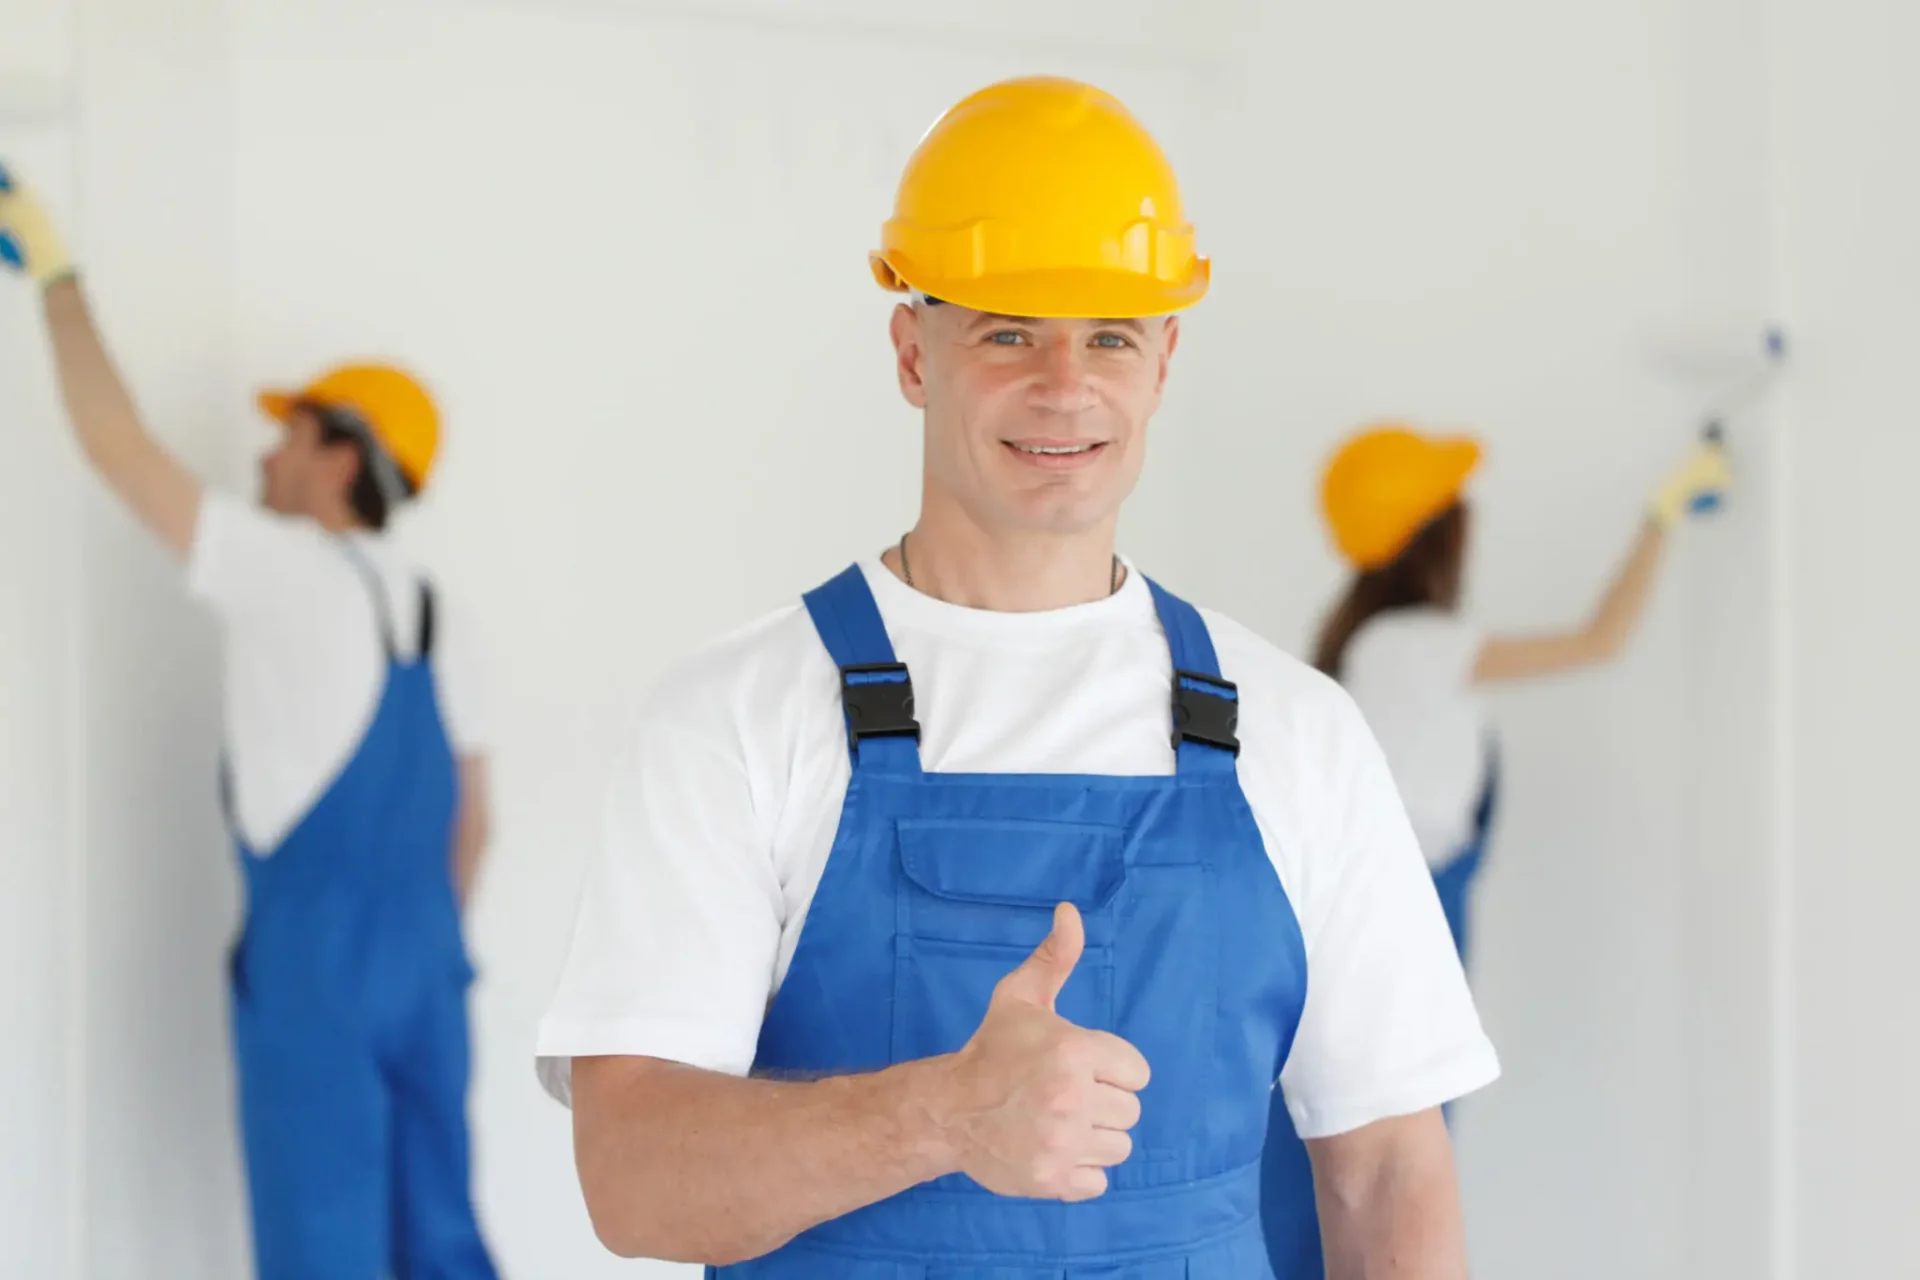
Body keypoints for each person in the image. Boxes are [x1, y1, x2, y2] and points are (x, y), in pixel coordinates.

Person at [535, 77, 1498, 1278]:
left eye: (1110, 335)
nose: (1064, 383)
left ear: (1164, 362)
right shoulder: (734, 715)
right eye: (1007, 332)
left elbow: (1389, 1168)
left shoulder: (1297, 732)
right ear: (912, 352)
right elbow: (632, 1177)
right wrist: (941, 1114)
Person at [0, 164, 499, 1278]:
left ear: (341, 455)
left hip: (318, 970)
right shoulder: (437, 611)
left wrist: (58, 278)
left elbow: (117, 447)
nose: (267, 455)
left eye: (291, 434)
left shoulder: (286, 571)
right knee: (441, 1243)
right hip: (428, 967)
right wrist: (420, 947)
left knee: (325, 1251)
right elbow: (474, 820)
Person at [1311, 422, 1732, 965]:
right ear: (1441, 536)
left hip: (1389, 895)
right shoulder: (1416, 645)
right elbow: (1601, 640)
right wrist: (1661, 514)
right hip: (1408, 902)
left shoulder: (1375, 645)